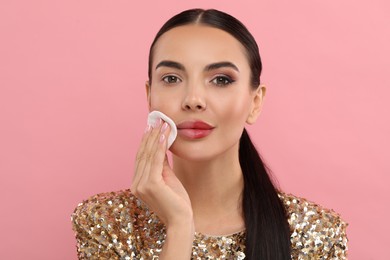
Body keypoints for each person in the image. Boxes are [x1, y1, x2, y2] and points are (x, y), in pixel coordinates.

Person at [71, 8, 348, 259]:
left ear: (255, 103)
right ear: (150, 97)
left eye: (221, 80)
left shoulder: (318, 234)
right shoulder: (105, 222)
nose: (193, 99)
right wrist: (180, 226)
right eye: (171, 79)